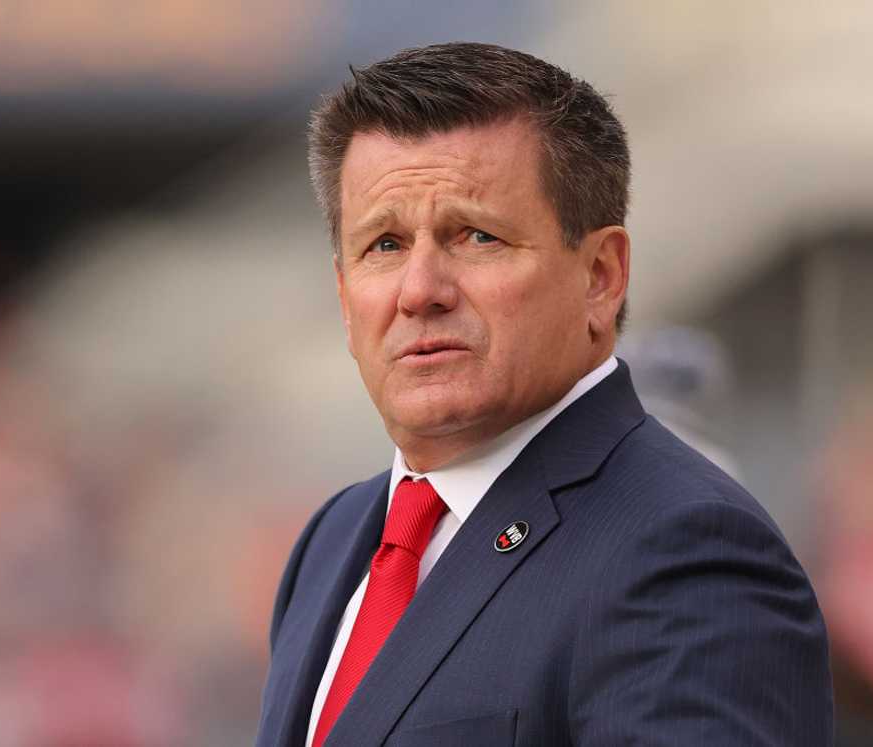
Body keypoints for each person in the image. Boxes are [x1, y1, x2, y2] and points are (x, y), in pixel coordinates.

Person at [256, 42, 833, 746]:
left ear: (600, 275)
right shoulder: (334, 539)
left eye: (476, 235)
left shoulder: (685, 551)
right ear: (344, 298)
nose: (419, 291)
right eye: (383, 244)